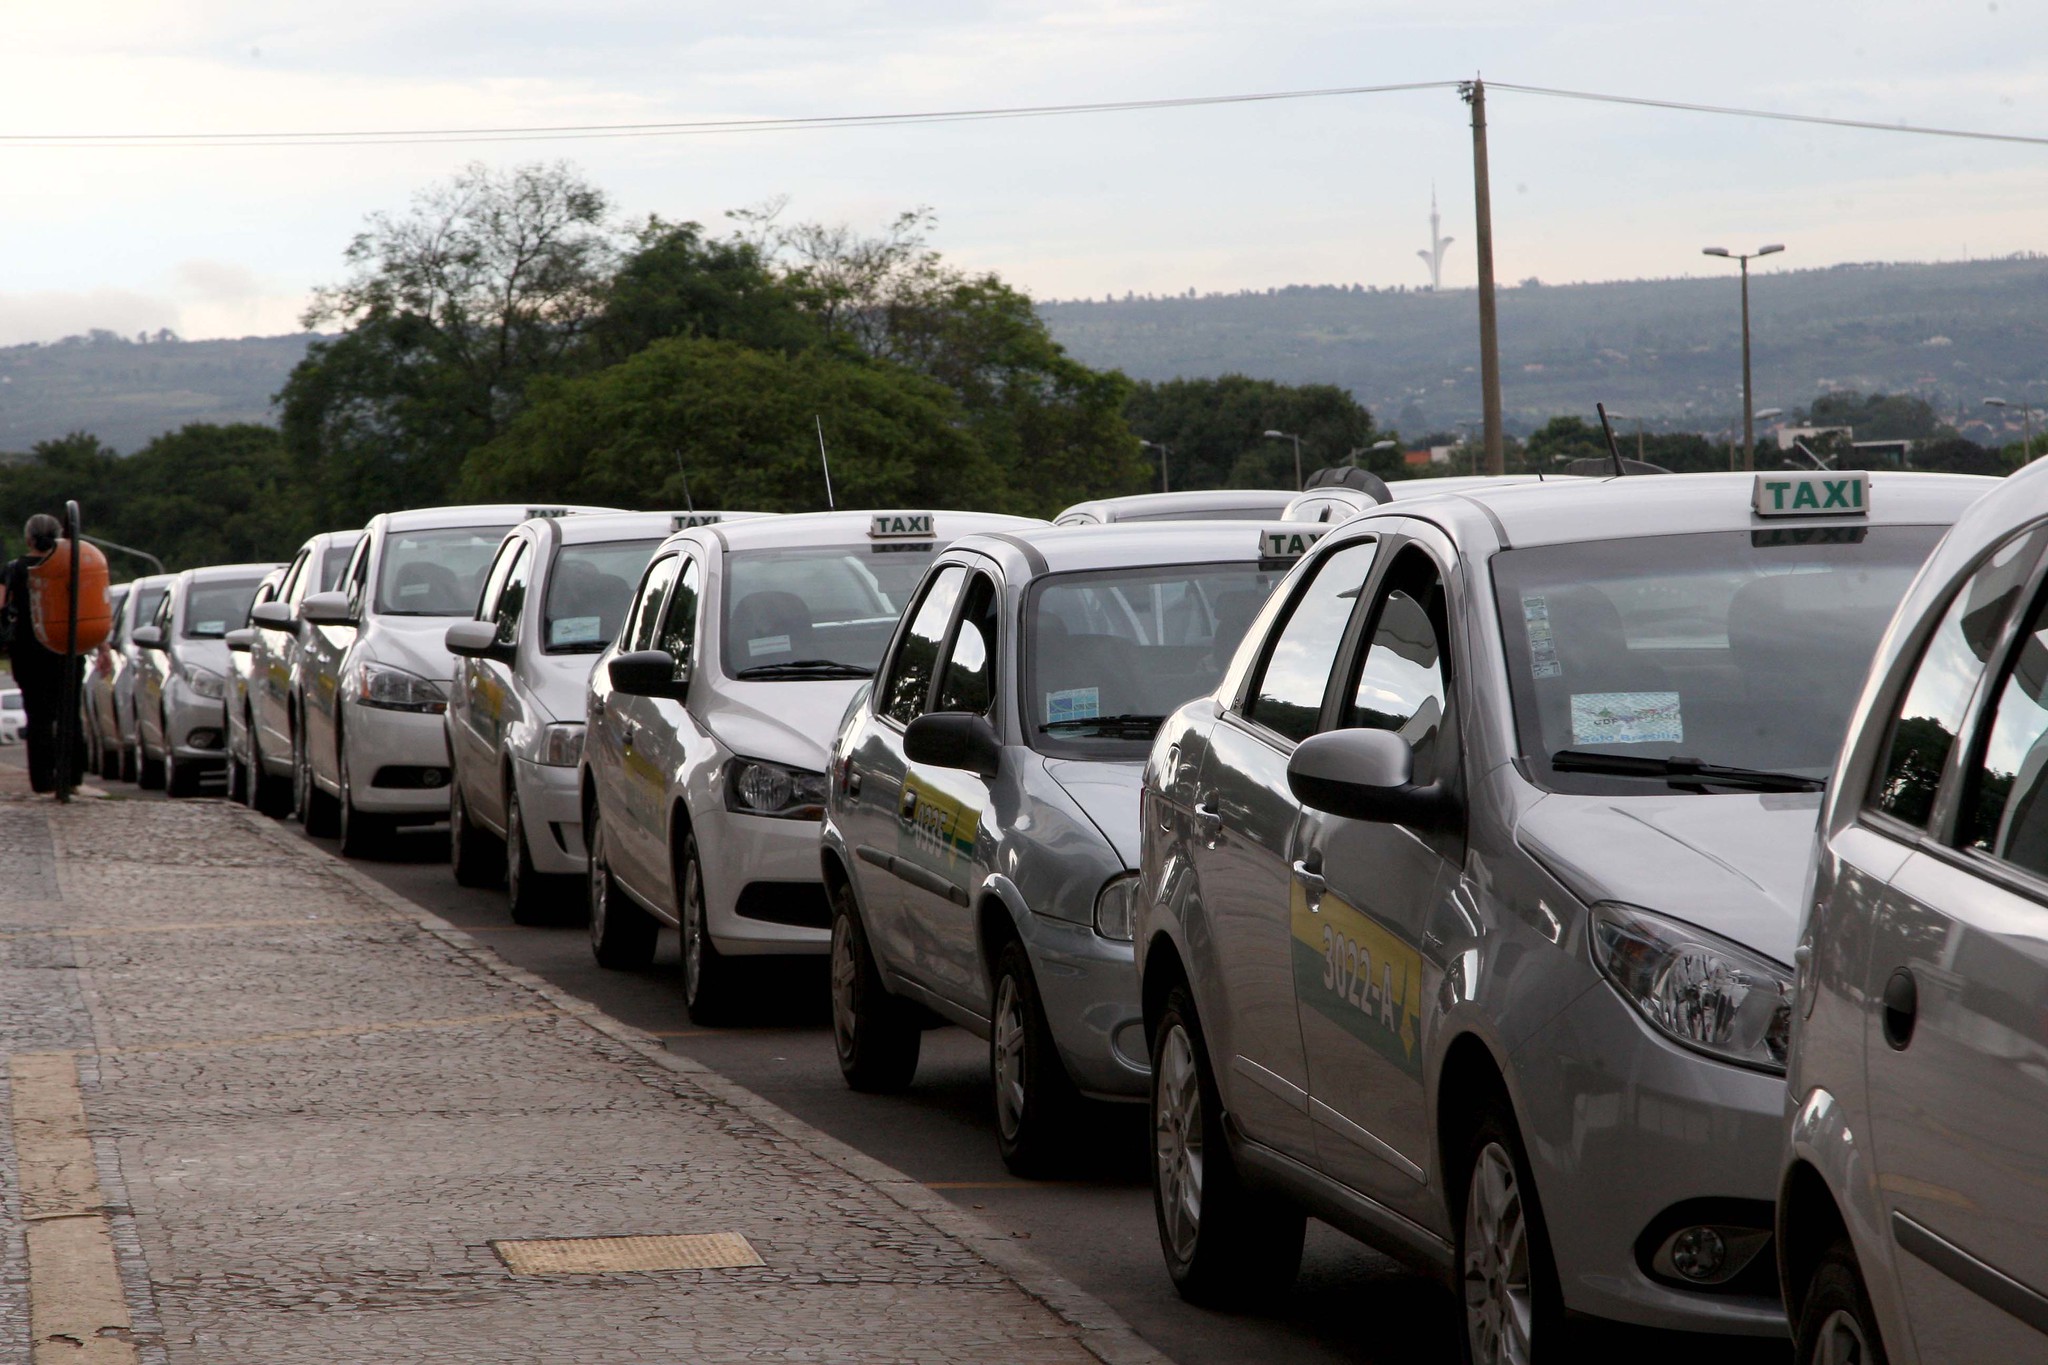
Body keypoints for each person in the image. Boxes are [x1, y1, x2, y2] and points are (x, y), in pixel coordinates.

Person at [4, 515, 82, 794]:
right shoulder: (71, 567)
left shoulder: (14, 570)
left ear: (28, 538)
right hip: (67, 649)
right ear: (59, 536)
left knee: (37, 717)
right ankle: (71, 777)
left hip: (28, 653)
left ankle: (43, 781)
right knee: (70, 714)